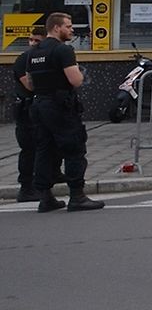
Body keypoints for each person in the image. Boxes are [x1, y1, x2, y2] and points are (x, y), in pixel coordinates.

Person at [21, 12, 104, 212]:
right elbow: (75, 81)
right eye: (68, 26)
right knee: (74, 148)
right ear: (56, 28)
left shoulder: (32, 53)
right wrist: (80, 74)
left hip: (39, 105)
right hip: (60, 106)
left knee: (44, 150)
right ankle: (77, 196)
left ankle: (45, 197)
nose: (72, 30)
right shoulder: (63, 50)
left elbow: (30, 84)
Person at [11, 22, 62, 202]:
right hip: (27, 108)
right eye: (30, 40)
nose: (33, 43)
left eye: (37, 40)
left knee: (49, 145)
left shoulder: (44, 55)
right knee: (29, 149)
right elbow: (30, 85)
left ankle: (51, 176)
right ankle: (26, 188)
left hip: (41, 107)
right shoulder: (24, 59)